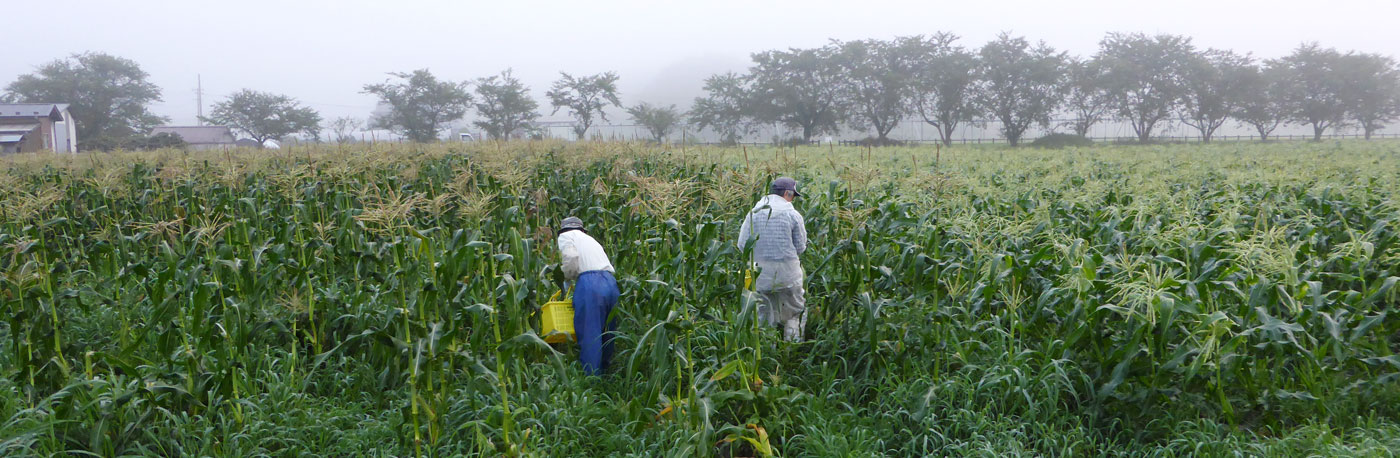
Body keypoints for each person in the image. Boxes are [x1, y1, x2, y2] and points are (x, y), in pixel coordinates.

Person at [737, 177, 808, 342]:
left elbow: (742, 245)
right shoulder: (792, 214)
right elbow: (801, 247)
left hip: (756, 274)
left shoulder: (753, 213)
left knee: (761, 316)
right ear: (787, 193)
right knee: (793, 314)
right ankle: (792, 353)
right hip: (788, 273)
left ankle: (766, 355)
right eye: (793, 196)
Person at [557, 216, 620, 375]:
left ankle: (591, 379)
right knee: (607, 331)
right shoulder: (591, 240)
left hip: (591, 283)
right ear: (582, 229)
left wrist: (567, 277)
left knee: (590, 332)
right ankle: (606, 373)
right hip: (610, 282)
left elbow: (571, 258)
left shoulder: (566, 236)